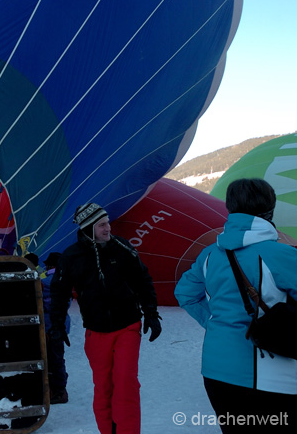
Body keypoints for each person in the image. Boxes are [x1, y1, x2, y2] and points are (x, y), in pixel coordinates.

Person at [175, 178, 297, 432]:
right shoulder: (282, 255)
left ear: (229, 209)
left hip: (217, 372)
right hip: (274, 376)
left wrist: (212, 322)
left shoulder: (209, 254)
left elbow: (185, 293)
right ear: (270, 209)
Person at [49, 202, 160, 434]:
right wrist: (57, 324)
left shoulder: (122, 247)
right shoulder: (71, 257)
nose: (108, 228)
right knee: (103, 387)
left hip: (127, 325)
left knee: (126, 383)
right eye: (102, 225)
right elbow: (59, 292)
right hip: (96, 331)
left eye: (107, 222)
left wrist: (151, 313)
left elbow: (143, 279)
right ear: (88, 227)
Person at [41, 251, 70, 404]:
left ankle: (59, 391)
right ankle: (58, 386)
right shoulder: (64, 277)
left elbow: (47, 302)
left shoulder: (48, 280)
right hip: (59, 326)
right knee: (57, 357)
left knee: (54, 358)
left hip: (51, 327)